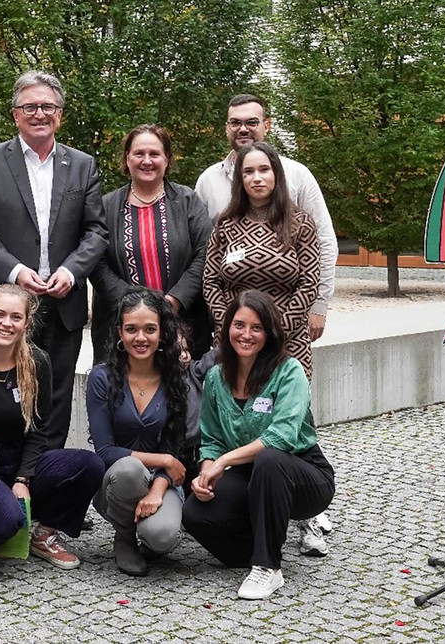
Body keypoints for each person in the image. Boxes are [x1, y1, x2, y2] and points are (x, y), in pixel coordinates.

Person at [0, 70, 109, 446]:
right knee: (6, 394)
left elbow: (96, 231)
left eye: (48, 106)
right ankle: (11, 474)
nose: (39, 114)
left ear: (60, 114)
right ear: (15, 114)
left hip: (64, 305)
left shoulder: (82, 164)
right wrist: (15, 272)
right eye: (30, 107)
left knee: (57, 400)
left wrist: (71, 272)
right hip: (11, 305)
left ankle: (50, 472)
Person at [181, 290, 335, 600]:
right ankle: (257, 548)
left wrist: (224, 461)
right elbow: (211, 439)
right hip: (249, 474)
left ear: (270, 333)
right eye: (239, 325)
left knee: (270, 460)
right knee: (195, 512)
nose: (246, 334)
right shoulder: (215, 377)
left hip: (302, 472)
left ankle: (268, 567)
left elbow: (282, 437)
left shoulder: (289, 371)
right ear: (227, 328)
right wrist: (207, 472)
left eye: (257, 328)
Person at [0, 285, 104, 569]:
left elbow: (39, 428)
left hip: (20, 461)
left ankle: (44, 535)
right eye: (0, 314)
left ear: (27, 322)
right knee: (5, 525)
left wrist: (23, 479)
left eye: (16, 317)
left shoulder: (37, 362)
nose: (6, 323)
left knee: (90, 465)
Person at [194, 94, 338, 343]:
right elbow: (206, 260)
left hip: (288, 328)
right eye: (235, 123)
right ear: (227, 127)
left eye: (251, 122)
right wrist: (228, 325)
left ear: (266, 125)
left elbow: (324, 242)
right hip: (232, 330)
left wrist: (319, 305)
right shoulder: (208, 181)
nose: (243, 129)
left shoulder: (298, 175)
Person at [86, 289, 189, 577]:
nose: (140, 338)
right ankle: (124, 538)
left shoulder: (174, 377)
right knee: (129, 469)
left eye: (149, 329)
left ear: (161, 333)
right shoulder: (101, 378)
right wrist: (165, 460)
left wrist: (158, 489)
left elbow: (174, 447)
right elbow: (105, 451)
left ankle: (147, 531)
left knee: (162, 537)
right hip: (118, 480)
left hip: (161, 480)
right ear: (119, 332)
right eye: (131, 329)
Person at [91, 124, 212, 363]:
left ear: (167, 159)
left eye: (154, 154)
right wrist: (135, 307)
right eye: (139, 154)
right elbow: (96, 261)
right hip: (122, 329)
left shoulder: (187, 201)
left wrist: (173, 302)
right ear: (127, 158)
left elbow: (206, 253)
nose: (147, 161)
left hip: (182, 326)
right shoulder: (105, 206)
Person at [203, 142, 320, 380]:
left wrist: (275, 332)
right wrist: (232, 328)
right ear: (240, 179)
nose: (257, 178)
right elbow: (210, 281)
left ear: (276, 174)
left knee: (285, 402)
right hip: (235, 344)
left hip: (287, 342)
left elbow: (309, 284)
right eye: (248, 172)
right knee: (233, 401)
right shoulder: (226, 224)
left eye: (264, 170)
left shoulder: (300, 223)